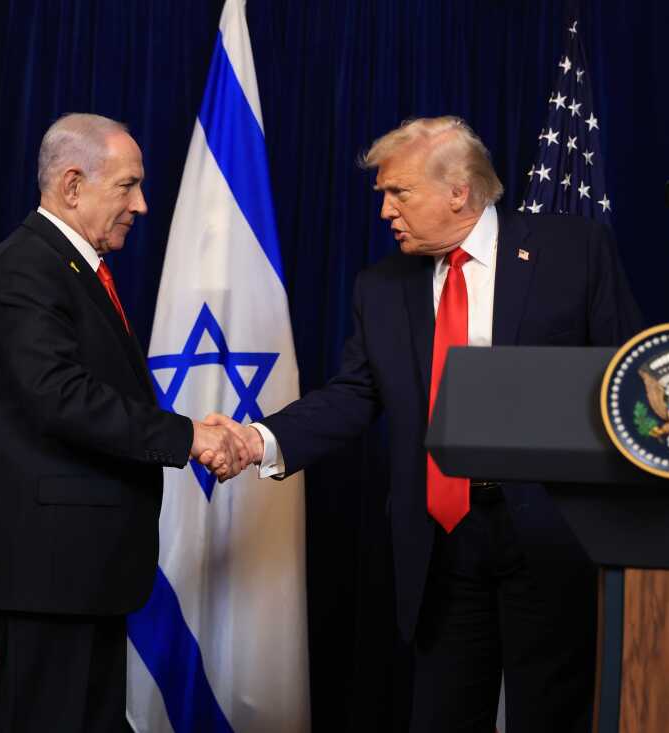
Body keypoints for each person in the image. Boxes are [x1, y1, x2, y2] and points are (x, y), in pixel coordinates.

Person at [210, 116, 643, 732]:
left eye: (399, 193)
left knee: (549, 718)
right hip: (440, 544)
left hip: (550, 535)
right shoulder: (382, 287)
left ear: (459, 191)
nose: (386, 210)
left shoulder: (574, 254)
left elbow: (625, 378)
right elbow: (356, 394)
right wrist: (259, 439)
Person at [0, 113, 247, 732]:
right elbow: (58, 396)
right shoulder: (28, 267)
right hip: (47, 570)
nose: (141, 204)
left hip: (80, 569)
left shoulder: (69, 267)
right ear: (72, 185)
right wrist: (188, 436)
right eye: (127, 185)